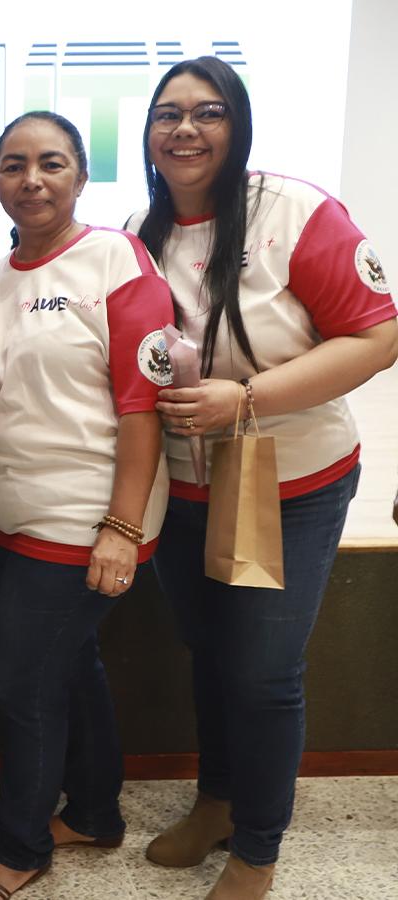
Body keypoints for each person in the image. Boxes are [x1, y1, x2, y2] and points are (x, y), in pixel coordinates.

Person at [128, 57, 398, 900]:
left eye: (206, 113)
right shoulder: (142, 229)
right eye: (167, 114)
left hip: (294, 481)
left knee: (265, 671)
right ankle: (216, 800)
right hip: (187, 487)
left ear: (237, 126)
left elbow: (377, 336)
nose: (184, 129)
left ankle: (257, 848)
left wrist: (246, 398)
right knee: (210, 654)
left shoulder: (298, 212)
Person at [0, 112, 174, 899]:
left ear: (80, 173)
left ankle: (20, 848)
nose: (31, 179)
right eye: (13, 165)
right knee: (68, 666)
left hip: (83, 517)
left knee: (22, 684)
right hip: (10, 514)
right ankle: (98, 813)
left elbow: (143, 403)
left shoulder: (115, 258)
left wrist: (120, 526)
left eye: (50, 163)